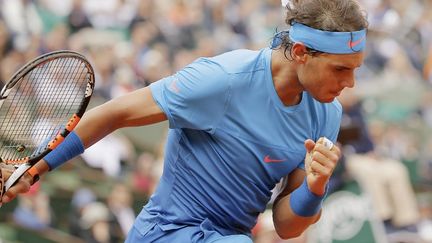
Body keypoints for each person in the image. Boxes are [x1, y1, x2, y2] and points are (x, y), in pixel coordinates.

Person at [1, 0, 368, 242]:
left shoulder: (327, 112)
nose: (349, 84)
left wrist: (315, 189)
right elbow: (114, 113)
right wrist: (34, 170)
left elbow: (288, 226)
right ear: (301, 53)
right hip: (167, 233)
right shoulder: (222, 80)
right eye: (340, 69)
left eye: (354, 70)